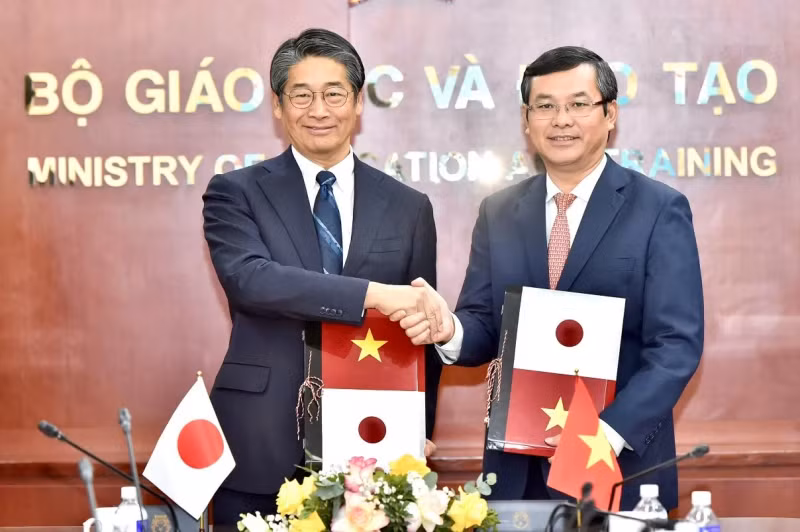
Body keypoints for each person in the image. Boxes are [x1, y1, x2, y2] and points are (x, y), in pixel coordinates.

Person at [398, 46, 704, 511]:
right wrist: (449, 331)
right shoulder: (499, 211)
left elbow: (676, 345)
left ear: (610, 114)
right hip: (515, 475)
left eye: (578, 104)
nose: (561, 120)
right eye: (545, 106)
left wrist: (604, 434)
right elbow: (484, 323)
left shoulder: (659, 209)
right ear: (527, 119)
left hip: (617, 468)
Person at [202, 28, 442, 524]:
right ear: (277, 105)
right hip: (259, 442)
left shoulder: (408, 206)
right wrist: (374, 294)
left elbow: (421, 331)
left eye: (334, 94)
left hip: (375, 447)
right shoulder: (235, 192)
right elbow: (251, 280)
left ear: (358, 103)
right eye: (301, 95)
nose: (319, 110)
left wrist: (417, 427)